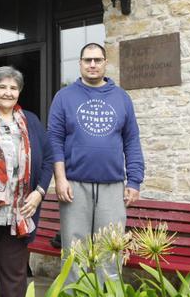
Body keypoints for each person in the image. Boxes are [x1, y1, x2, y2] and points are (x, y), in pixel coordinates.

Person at [48, 42, 145, 281]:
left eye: (97, 60)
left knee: (109, 253)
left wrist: (134, 181)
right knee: (74, 253)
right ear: (80, 64)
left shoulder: (121, 98)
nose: (92, 64)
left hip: (112, 186)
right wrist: (60, 179)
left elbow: (132, 141)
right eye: (87, 60)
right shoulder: (64, 97)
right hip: (74, 185)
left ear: (105, 63)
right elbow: (54, 140)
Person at [0, 66, 53, 297]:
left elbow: (49, 157)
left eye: (13, 88)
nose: (8, 92)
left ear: (19, 92)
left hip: (20, 213)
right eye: (2, 87)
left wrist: (39, 192)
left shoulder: (31, 121)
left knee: (15, 276)